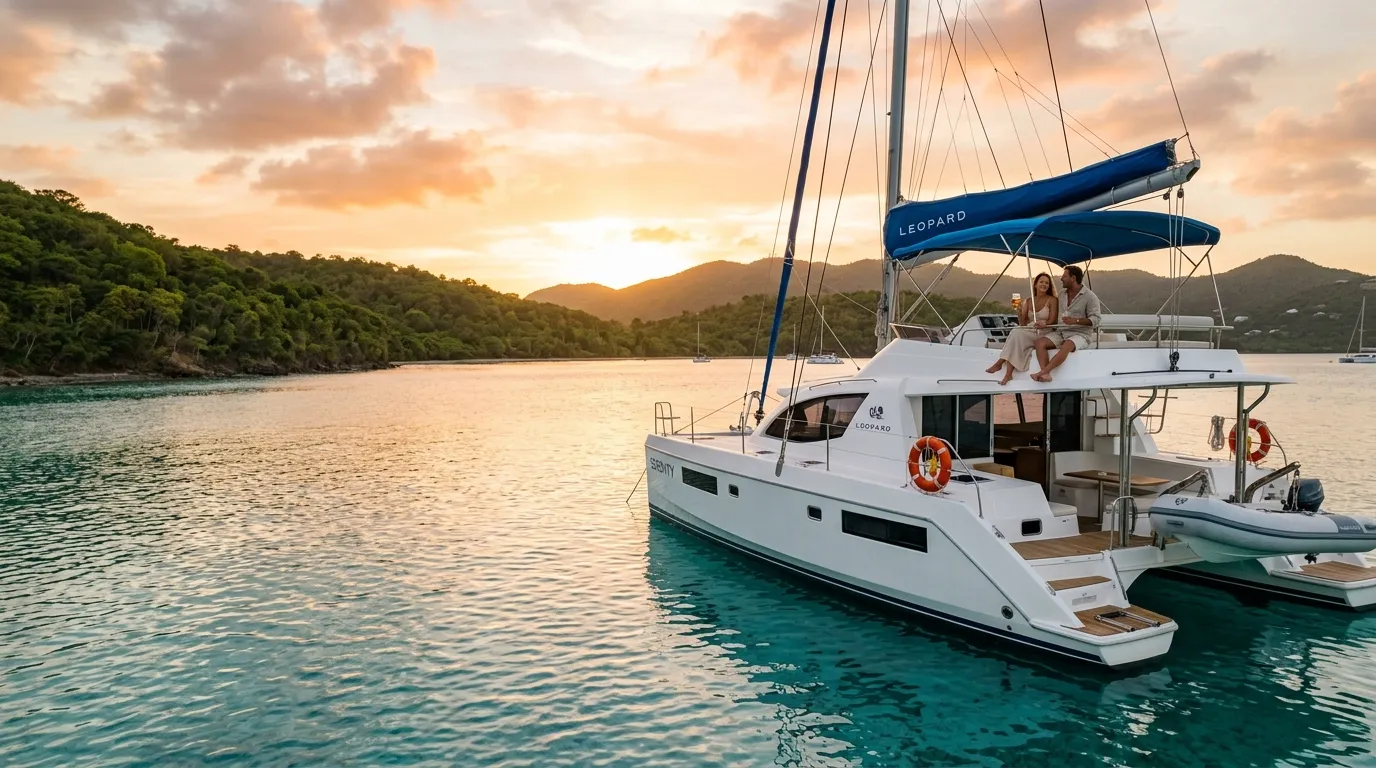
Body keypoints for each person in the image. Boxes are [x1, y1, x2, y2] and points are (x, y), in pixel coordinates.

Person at [1031, 265, 1101, 382]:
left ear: (1073, 278)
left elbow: (1096, 319)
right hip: (1061, 331)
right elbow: (1054, 314)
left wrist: (1076, 321)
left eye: (1064, 276)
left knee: (1067, 345)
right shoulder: (1062, 294)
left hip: (1080, 334)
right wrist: (1045, 323)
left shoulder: (1090, 297)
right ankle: (1046, 374)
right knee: (1039, 343)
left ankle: (1043, 372)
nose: (1061, 279)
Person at [986, 273, 1058, 385]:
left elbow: (1053, 321)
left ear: (1049, 286)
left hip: (1044, 331)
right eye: (1041, 282)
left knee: (1016, 333)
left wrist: (1044, 323)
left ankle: (1000, 363)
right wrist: (1019, 311)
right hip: (1030, 329)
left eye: (1046, 283)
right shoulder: (1029, 301)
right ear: (1035, 284)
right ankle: (1008, 374)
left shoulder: (1053, 300)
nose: (1044, 284)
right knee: (1016, 333)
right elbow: (1023, 323)